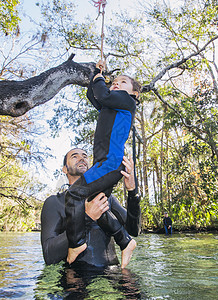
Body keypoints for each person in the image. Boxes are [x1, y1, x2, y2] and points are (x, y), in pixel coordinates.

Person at [65, 60, 141, 268]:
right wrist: (98, 74)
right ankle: (125, 241)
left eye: (122, 82)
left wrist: (100, 79)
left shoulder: (127, 102)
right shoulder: (113, 104)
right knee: (96, 200)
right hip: (106, 164)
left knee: (73, 194)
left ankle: (77, 243)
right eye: (113, 82)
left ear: (134, 94)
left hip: (110, 163)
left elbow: (102, 94)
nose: (115, 84)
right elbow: (94, 96)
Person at [40, 148, 141, 268]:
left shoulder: (106, 198)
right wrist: (87, 217)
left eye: (85, 156)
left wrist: (132, 192)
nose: (81, 158)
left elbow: (134, 230)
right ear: (65, 169)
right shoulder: (54, 202)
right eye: (74, 156)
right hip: (75, 278)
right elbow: (49, 255)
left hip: (112, 274)